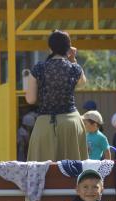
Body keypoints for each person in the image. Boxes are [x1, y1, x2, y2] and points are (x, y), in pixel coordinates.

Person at [25, 30, 88, 162]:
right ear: (68, 48)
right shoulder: (74, 68)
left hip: (45, 125)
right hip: (71, 124)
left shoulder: (38, 68)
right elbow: (82, 83)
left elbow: (30, 100)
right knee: (73, 175)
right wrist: (73, 59)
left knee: (44, 174)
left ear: (50, 48)